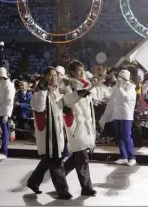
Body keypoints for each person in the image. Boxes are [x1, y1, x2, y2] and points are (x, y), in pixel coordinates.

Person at [27, 67, 87, 200]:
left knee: (48, 160)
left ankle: (33, 181)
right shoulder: (39, 92)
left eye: (55, 75)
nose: (53, 78)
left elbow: (65, 101)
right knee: (56, 162)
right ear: (45, 77)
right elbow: (39, 107)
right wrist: (42, 90)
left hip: (58, 132)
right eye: (50, 75)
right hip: (49, 134)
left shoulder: (57, 92)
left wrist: (79, 94)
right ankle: (63, 191)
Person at [62, 60, 97, 196]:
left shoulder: (86, 85)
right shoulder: (66, 86)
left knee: (78, 155)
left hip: (86, 124)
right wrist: (79, 93)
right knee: (82, 157)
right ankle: (86, 187)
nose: (81, 72)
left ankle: (59, 175)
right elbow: (67, 101)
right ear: (71, 72)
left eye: (82, 70)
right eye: (78, 70)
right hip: (76, 124)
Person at [109, 70, 137, 166]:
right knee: (119, 136)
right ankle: (123, 156)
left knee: (126, 135)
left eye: (121, 78)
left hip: (126, 114)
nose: (119, 79)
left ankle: (132, 157)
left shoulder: (131, 88)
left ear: (126, 79)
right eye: (119, 77)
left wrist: (120, 88)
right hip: (117, 114)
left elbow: (126, 98)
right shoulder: (117, 86)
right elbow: (109, 94)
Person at [0, 67, 15, 160]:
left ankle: (4, 152)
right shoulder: (1, 84)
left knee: (5, 133)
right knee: (1, 133)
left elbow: (9, 101)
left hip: (3, 112)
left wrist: (7, 114)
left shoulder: (9, 86)